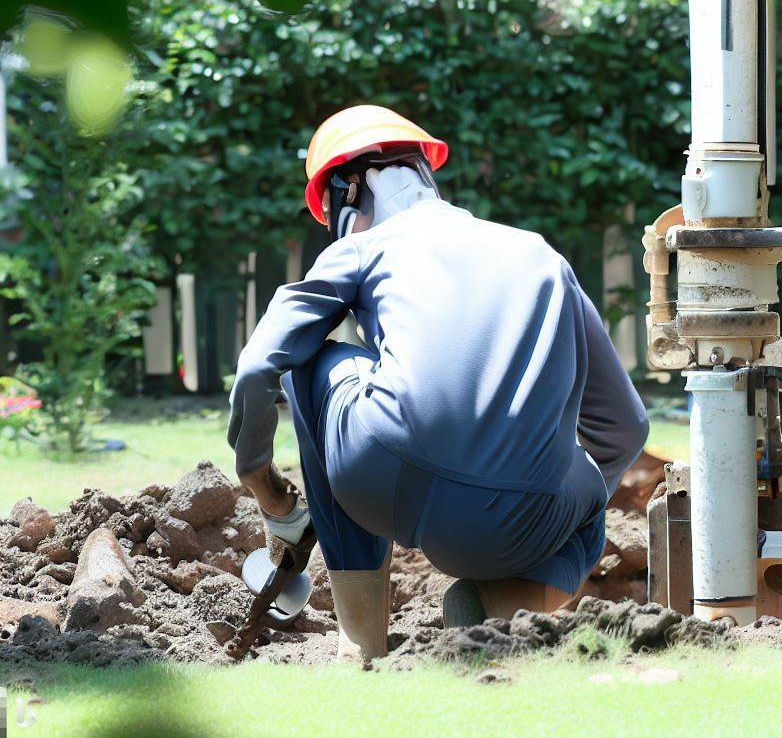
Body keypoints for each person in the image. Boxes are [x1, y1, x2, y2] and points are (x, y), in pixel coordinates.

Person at [228, 104, 649, 662]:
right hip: (519, 520)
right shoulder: (540, 255)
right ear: (424, 173)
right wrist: (546, 492)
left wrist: (267, 490)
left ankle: (360, 643)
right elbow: (625, 426)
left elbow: (261, 364)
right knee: (591, 483)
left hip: (383, 480)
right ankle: (498, 605)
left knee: (311, 361)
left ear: (348, 192)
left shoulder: (359, 248)